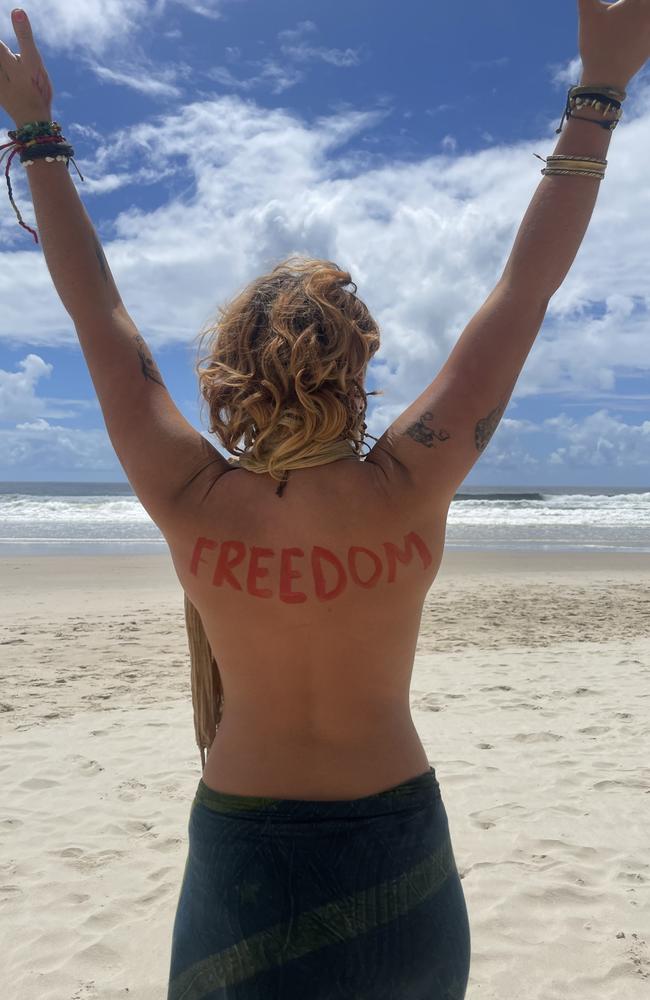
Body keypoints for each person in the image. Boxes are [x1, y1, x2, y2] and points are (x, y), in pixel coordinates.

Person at [1, 3, 647, 998]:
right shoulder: (406, 482)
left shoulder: (191, 495)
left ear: (226, 369)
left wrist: (35, 134)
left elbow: (99, 314)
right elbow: (523, 290)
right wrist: (599, 92)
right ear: (359, 363)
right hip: (397, 844)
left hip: (242, 856)